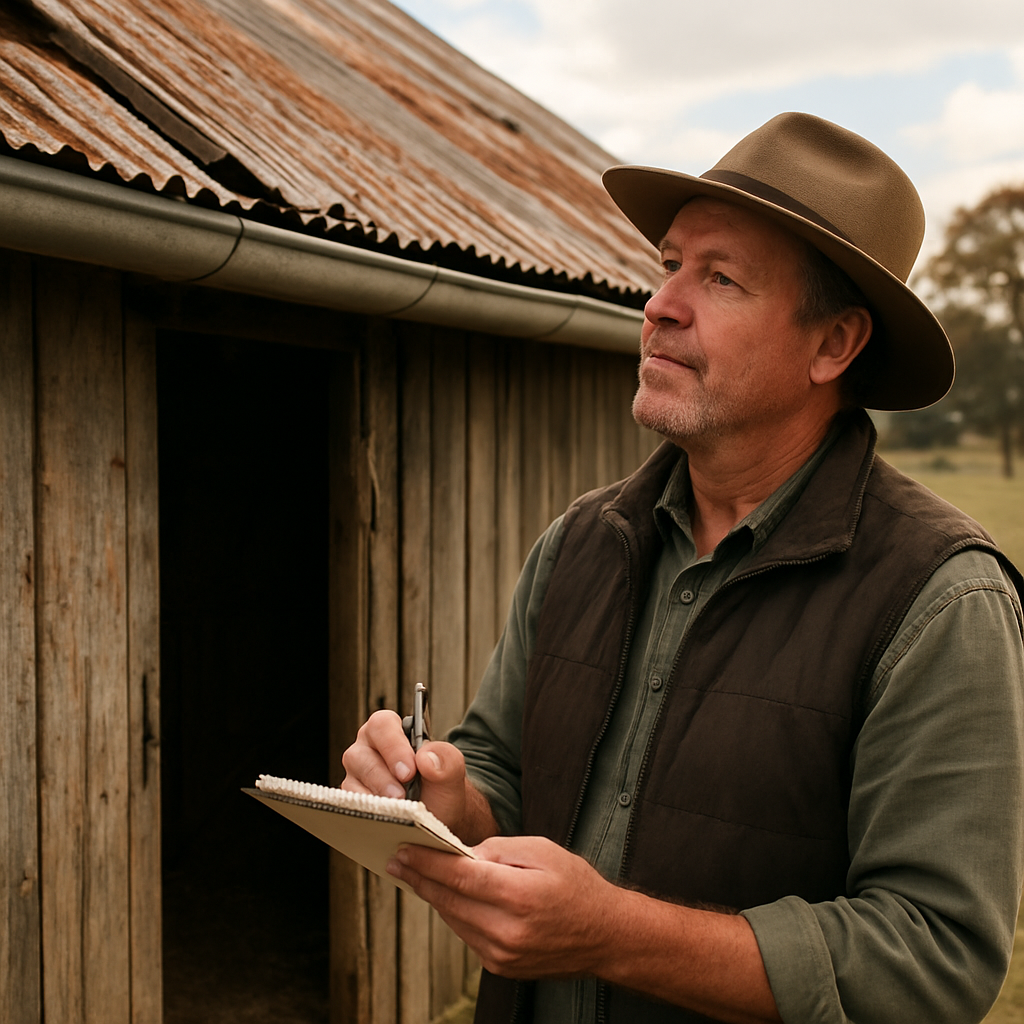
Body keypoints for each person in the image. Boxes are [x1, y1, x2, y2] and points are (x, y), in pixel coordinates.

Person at [341, 112, 1024, 1024]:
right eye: (669, 266)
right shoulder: (581, 543)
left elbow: (933, 959)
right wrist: (449, 802)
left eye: (722, 278)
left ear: (834, 345)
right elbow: (503, 774)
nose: (661, 304)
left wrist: (611, 932)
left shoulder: (942, 601)